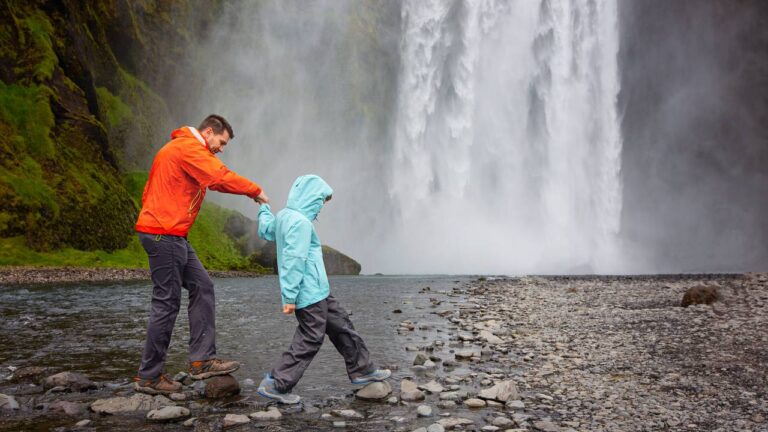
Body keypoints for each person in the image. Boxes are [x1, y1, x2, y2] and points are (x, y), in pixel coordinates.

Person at [133, 114, 270, 395]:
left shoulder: (178, 148)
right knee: (166, 303)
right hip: (164, 233)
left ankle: (201, 361)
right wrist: (254, 191)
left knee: (202, 286)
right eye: (221, 142)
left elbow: (149, 191)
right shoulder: (188, 148)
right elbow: (218, 177)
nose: (221, 148)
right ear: (208, 132)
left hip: (171, 233)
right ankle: (149, 377)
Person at [254, 174, 390, 404]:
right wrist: (290, 296)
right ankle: (276, 384)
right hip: (308, 296)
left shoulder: (285, 216)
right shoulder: (301, 223)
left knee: (342, 326)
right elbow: (293, 260)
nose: (319, 210)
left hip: (320, 291)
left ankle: (363, 370)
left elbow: (266, 230)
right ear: (309, 198)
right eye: (319, 203)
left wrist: (264, 207)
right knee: (311, 337)